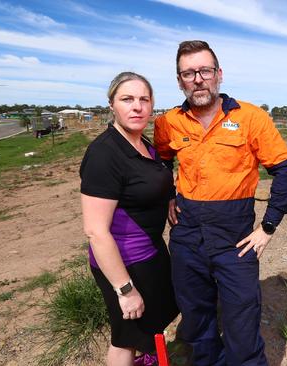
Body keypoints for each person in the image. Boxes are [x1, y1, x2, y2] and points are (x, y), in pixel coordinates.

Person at [154, 40, 287, 365]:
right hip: (186, 236)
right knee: (197, 321)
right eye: (188, 73)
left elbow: (286, 171)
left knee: (242, 322)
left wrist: (268, 227)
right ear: (179, 81)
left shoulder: (251, 118)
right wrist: (168, 197)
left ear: (218, 74)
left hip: (235, 239)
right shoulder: (168, 123)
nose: (198, 79)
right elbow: (161, 163)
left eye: (204, 70)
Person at [80, 72, 179, 366]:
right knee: (126, 338)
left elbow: (151, 179)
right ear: (112, 104)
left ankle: (150, 359)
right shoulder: (104, 154)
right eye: (127, 99)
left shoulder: (142, 143)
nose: (136, 107)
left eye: (143, 99)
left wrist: (170, 198)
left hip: (150, 252)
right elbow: (96, 231)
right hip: (124, 263)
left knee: (150, 326)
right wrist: (125, 290)